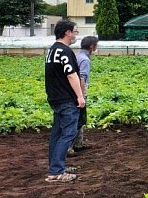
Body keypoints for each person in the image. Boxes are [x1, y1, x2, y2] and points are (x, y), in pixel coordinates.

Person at [44, 19, 85, 182]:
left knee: (57, 134)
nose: (76, 34)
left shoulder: (52, 51)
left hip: (55, 98)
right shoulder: (65, 51)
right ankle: (56, 172)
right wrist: (80, 96)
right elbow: (71, 74)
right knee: (67, 134)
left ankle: (56, 166)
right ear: (67, 32)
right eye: (75, 31)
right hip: (67, 99)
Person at [67, 36, 98, 157]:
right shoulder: (85, 60)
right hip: (78, 93)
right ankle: (69, 146)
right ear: (91, 46)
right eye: (96, 45)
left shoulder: (77, 56)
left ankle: (78, 143)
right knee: (78, 120)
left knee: (78, 120)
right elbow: (82, 78)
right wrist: (82, 96)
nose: (97, 47)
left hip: (72, 92)